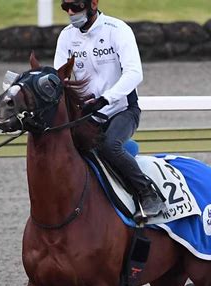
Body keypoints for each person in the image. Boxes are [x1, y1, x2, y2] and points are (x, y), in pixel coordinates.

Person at [54, 0, 167, 220]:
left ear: (93, 3)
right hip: (88, 114)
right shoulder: (66, 36)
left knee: (109, 146)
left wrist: (106, 99)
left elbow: (135, 73)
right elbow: (59, 77)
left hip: (123, 110)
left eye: (75, 6)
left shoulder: (118, 30)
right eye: (64, 6)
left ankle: (149, 195)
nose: (70, 12)